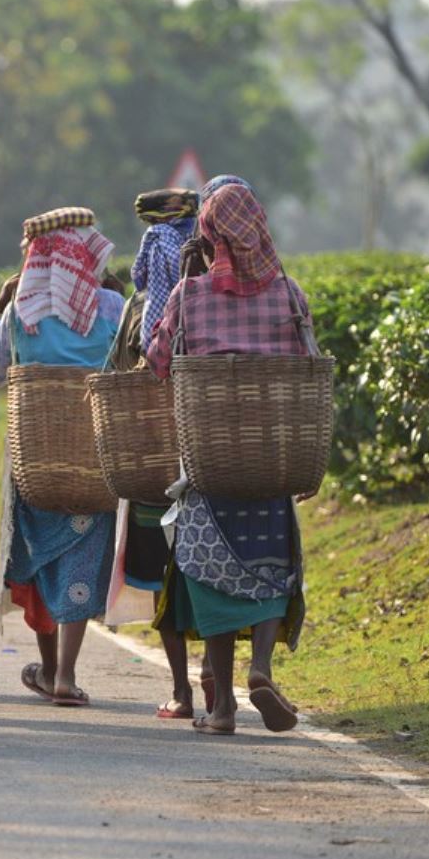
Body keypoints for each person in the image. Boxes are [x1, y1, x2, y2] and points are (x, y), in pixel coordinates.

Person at [145, 182, 308, 736]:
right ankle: (260, 669)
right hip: (272, 457)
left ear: (207, 235)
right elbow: (310, 362)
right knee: (269, 569)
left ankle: (221, 709)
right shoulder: (288, 293)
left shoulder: (189, 294)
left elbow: (158, 363)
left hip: (209, 462)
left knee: (208, 575)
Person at [0, 206, 121, 707]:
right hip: (94, 456)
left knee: (38, 559)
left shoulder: (22, 309)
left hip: (34, 457)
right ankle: (64, 675)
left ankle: (50, 667)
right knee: (81, 559)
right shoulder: (111, 308)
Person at [122, 187, 206, 720]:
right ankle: (219, 680)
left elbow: (142, 297)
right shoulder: (240, 270)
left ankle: (182, 689)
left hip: (162, 426)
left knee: (165, 564)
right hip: (220, 444)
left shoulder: (156, 241)